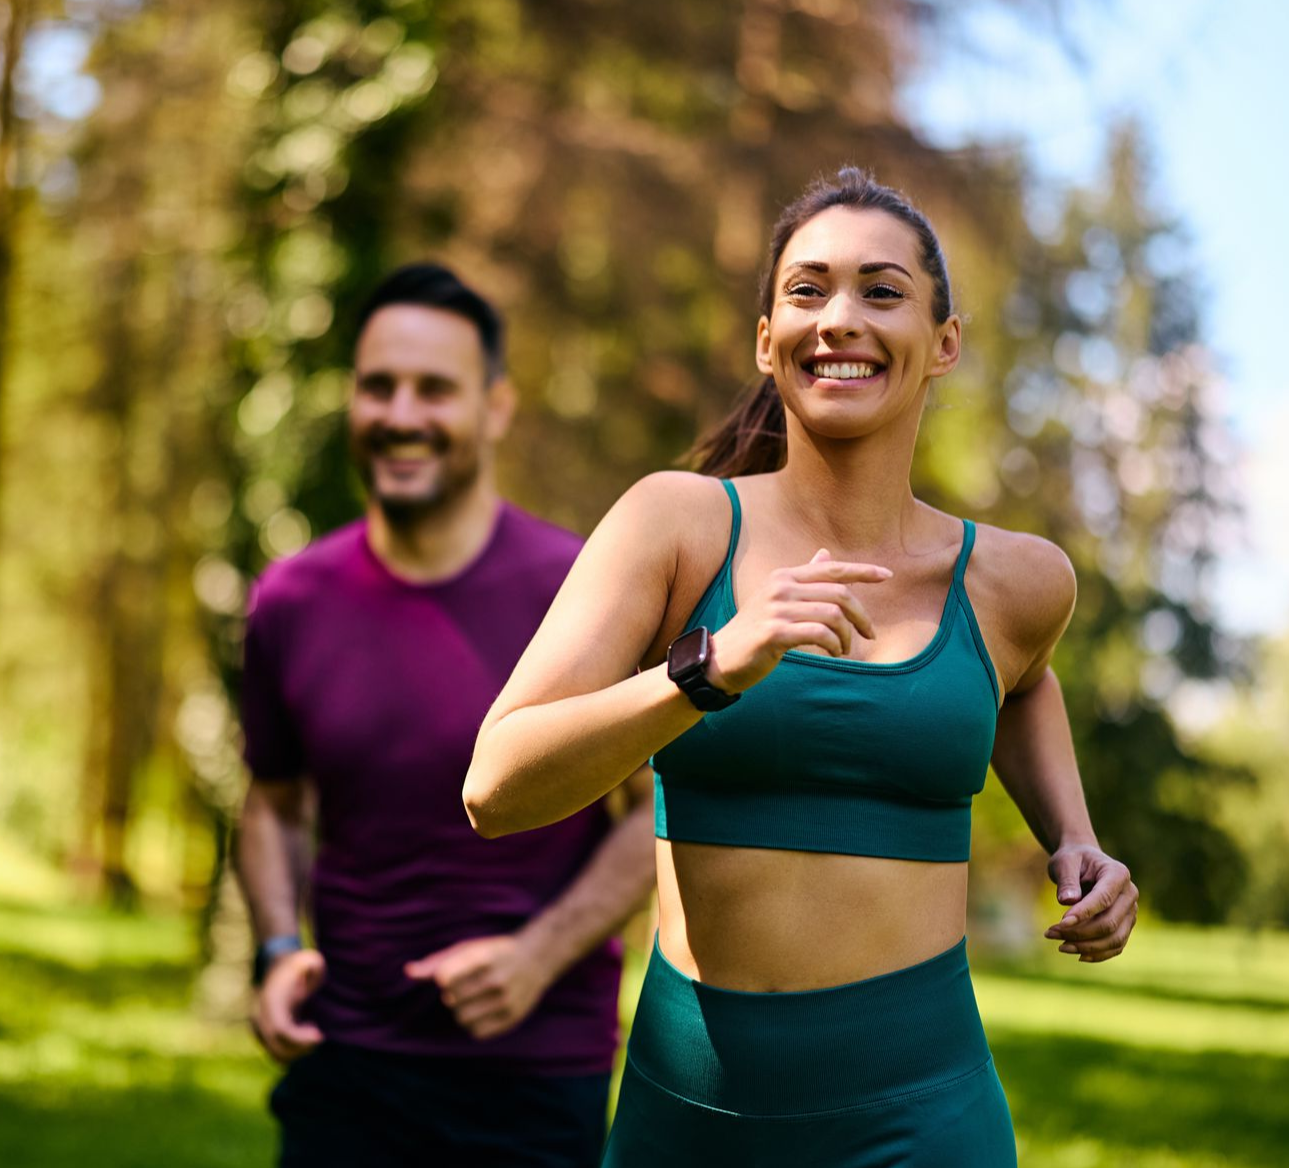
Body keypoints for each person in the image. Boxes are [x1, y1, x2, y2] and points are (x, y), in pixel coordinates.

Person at [463, 169, 1139, 1166]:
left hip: (921, 1117)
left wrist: (1073, 837)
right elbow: (495, 787)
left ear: (943, 343)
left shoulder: (1017, 581)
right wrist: (709, 669)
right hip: (688, 1117)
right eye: (807, 290)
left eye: (881, 291)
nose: (840, 319)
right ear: (765, 337)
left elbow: (1023, 679)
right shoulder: (677, 525)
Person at [236, 262, 656, 1168]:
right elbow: (271, 801)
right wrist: (275, 947)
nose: (401, 413)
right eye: (378, 385)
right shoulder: (291, 598)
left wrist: (539, 955)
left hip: (535, 1083)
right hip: (341, 1072)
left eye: (434, 388)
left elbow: (652, 813)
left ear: (495, 407)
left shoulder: (577, 591)